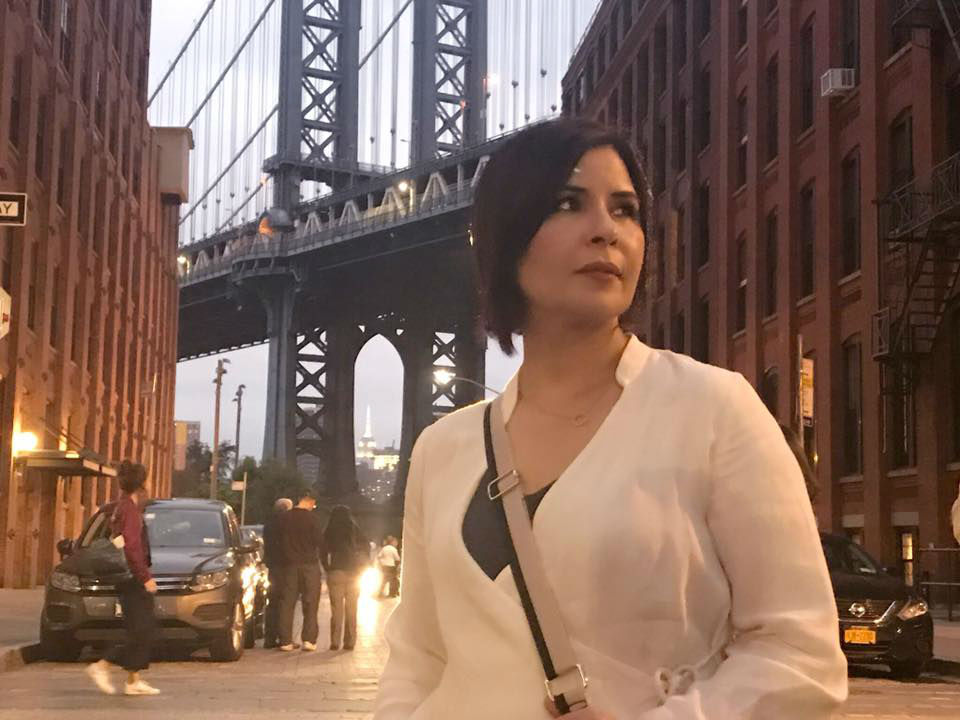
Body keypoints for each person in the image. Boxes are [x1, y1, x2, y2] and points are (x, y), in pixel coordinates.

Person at [374, 119, 847, 719]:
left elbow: (801, 657)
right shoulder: (442, 448)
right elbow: (417, 659)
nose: (606, 230)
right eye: (568, 203)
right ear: (505, 236)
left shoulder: (713, 410)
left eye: (625, 210)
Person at [86, 461, 160, 696]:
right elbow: (132, 546)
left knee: (137, 627)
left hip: (126, 576)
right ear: (142, 484)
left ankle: (133, 680)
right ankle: (103, 665)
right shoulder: (130, 510)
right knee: (142, 629)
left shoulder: (121, 506)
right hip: (132, 577)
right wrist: (145, 577)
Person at [276, 489, 325, 652]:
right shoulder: (313, 519)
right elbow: (319, 541)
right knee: (310, 602)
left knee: (287, 603)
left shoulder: (284, 518)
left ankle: (285, 641)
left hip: (289, 565)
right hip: (309, 565)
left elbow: (278, 541)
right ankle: (309, 640)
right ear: (310, 502)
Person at [321, 505, 366, 650]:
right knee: (352, 608)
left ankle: (335, 641)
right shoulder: (355, 529)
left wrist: (327, 567)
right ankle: (350, 641)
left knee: (336, 609)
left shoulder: (329, 530)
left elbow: (322, 551)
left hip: (336, 571)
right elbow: (366, 548)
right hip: (354, 572)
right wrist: (362, 566)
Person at [261, 497, 293, 648]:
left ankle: (270, 638)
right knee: (285, 602)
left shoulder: (269, 523)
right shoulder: (288, 524)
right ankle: (284, 637)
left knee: (272, 602)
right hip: (286, 566)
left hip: (273, 566)